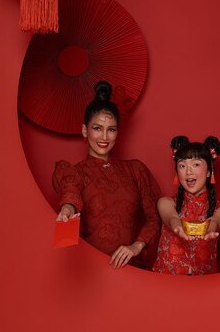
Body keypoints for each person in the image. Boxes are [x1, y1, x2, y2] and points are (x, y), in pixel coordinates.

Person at [53, 81, 161, 269]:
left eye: (111, 129)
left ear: (117, 133)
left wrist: (137, 246)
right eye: (97, 128)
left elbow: (154, 217)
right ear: (85, 130)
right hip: (92, 273)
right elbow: (71, 193)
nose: (104, 137)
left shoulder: (135, 170)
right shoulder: (75, 172)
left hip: (132, 272)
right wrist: (67, 209)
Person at [153, 136, 220, 275]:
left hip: (203, 291)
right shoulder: (165, 203)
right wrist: (178, 227)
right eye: (182, 165)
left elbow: (214, 222)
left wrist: (208, 229)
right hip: (165, 287)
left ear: (208, 171)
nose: (188, 171)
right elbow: (172, 218)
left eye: (196, 164)